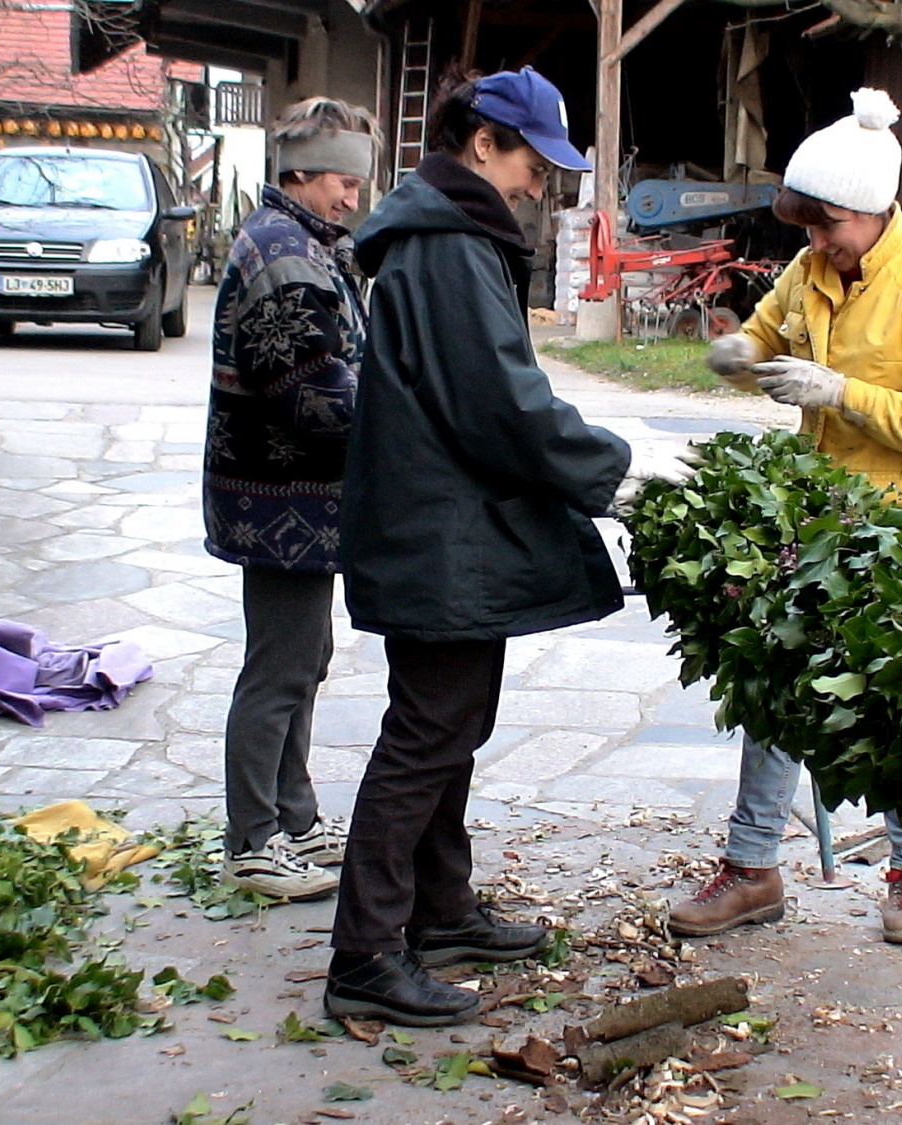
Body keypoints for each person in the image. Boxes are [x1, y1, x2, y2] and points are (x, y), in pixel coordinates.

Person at [323, 66, 697, 1027]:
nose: (542, 185)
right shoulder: (447, 246)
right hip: (436, 530)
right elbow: (500, 402)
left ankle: (440, 910)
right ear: (483, 143)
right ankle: (366, 952)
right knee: (427, 733)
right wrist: (617, 467)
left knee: (450, 721)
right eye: (535, 163)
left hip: (440, 525)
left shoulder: (447, 234)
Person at [668, 88, 902, 946]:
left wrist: (841, 392)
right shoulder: (809, 271)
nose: (814, 245)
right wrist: (740, 355)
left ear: (874, 211)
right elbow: (768, 339)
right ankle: (752, 866)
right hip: (817, 516)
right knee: (776, 688)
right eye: (806, 229)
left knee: (896, 709)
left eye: (827, 228)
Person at [203, 97, 380, 902]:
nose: (353, 198)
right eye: (344, 181)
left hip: (297, 503)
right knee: (279, 668)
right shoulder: (283, 254)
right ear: (302, 173)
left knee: (304, 659)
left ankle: (295, 819)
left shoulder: (301, 240)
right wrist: (403, 418)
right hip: (278, 500)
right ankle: (252, 840)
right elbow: (311, 395)